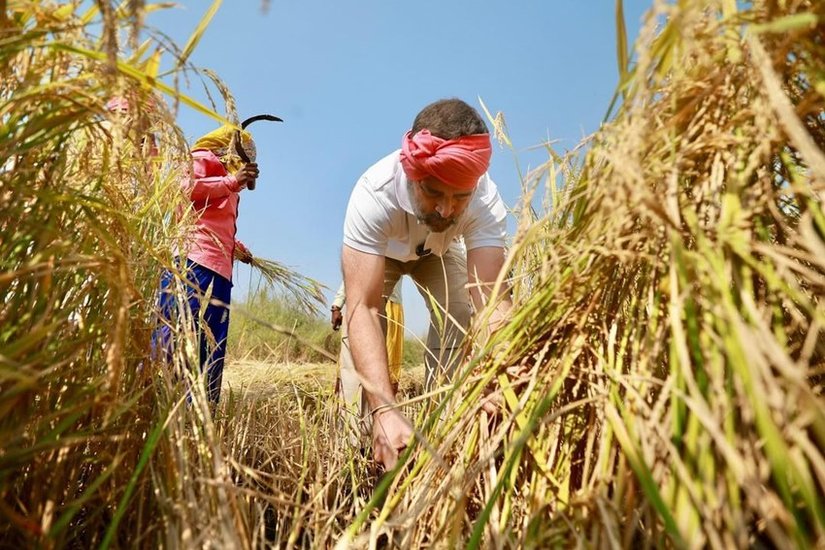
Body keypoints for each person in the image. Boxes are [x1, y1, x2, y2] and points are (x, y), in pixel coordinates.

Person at [341, 98, 512, 470]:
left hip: (437, 252)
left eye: (460, 197)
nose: (447, 210)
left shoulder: (484, 200)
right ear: (412, 172)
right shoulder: (374, 193)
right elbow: (364, 308)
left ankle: (445, 425)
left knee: (461, 312)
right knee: (359, 359)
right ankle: (365, 446)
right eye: (434, 192)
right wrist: (384, 409)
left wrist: (504, 372)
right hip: (381, 256)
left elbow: (491, 299)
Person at [153, 124, 258, 403]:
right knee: (177, 334)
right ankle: (156, 399)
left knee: (210, 345)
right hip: (191, 262)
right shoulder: (201, 158)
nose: (247, 156)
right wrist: (231, 182)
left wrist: (240, 250)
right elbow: (183, 190)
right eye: (244, 150)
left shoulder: (229, 180)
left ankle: (199, 410)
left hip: (221, 272)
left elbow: (215, 224)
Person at [331, 280, 404, 443]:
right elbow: (356, 265)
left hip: (389, 303)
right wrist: (337, 304)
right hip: (360, 303)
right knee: (350, 375)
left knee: (385, 379)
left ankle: (373, 442)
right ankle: (348, 443)